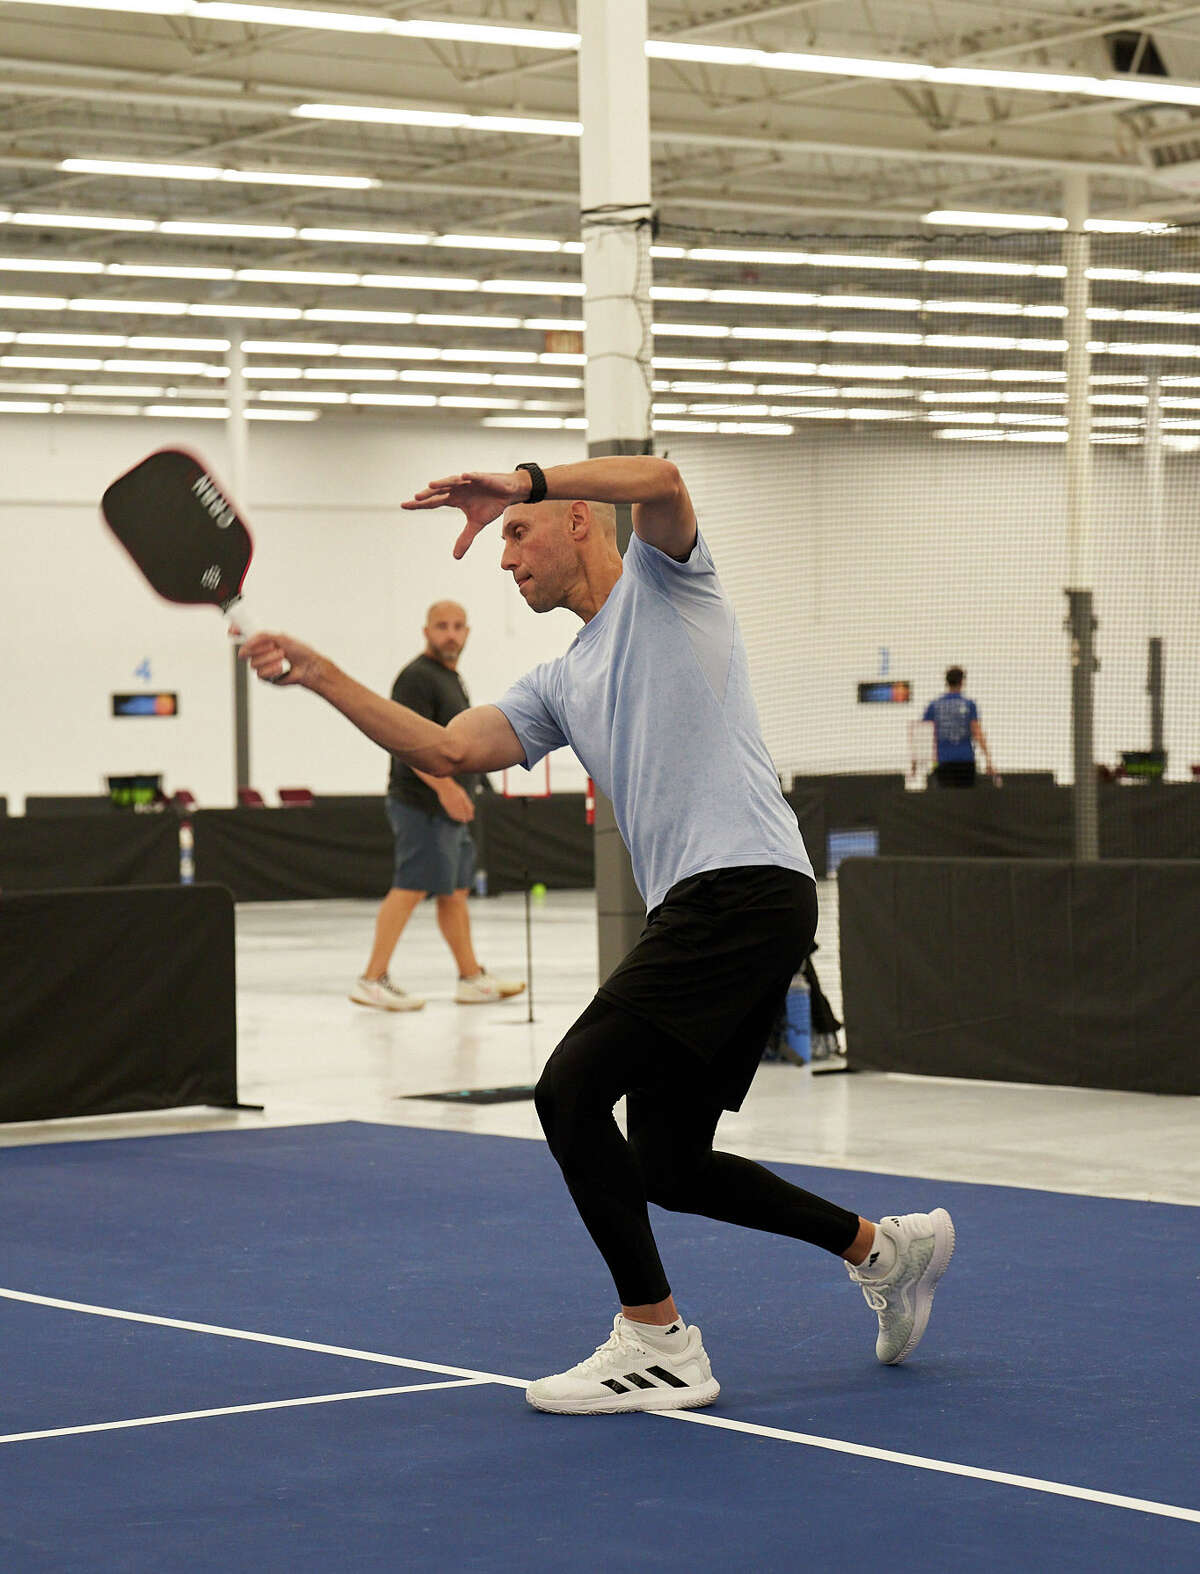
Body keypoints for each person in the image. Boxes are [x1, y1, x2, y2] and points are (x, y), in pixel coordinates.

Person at [240, 457, 955, 1416]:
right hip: (725, 907)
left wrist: (519, 478)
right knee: (669, 1164)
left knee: (569, 1087)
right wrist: (320, 674)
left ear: (579, 520)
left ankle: (657, 1341)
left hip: (739, 888)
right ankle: (883, 1249)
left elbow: (659, 477)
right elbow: (448, 749)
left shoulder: (671, 586)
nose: (503, 559)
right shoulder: (562, 681)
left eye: (515, 534)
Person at [350, 599, 525, 1011]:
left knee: (456, 892)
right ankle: (372, 978)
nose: (451, 633)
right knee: (411, 887)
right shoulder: (416, 679)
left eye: (459, 626)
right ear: (426, 631)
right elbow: (407, 742)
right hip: (421, 806)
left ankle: (471, 978)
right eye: (442, 626)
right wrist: (445, 789)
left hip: (451, 810)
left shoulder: (450, 678)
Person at [923, 665, 999, 788]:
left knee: (946, 801)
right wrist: (988, 759)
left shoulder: (934, 705)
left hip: (943, 761)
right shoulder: (969, 704)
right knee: (966, 802)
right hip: (965, 761)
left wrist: (915, 763)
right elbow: (977, 732)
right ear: (962, 681)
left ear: (946, 682)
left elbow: (923, 735)